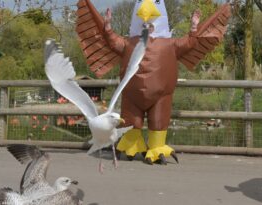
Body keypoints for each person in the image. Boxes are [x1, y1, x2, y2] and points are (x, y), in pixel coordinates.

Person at [75, 0, 231, 164]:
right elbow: (112, 41)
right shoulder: (129, 43)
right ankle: (132, 141)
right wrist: (106, 27)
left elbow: (190, 43)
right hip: (131, 95)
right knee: (130, 117)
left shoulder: (169, 44)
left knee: (159, 116)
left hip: (161, 96)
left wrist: (193, 28)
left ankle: (157, 146)